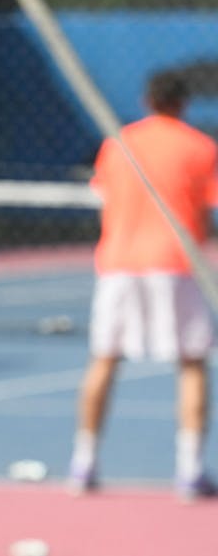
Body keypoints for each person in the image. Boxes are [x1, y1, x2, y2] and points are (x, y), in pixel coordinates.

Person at [67, 70, 218, 502]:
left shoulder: (118, 144)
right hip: (174, 263)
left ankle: (83, 462)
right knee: (191, 362)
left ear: (147, 100)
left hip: (118, 264)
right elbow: (205, 218)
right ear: (182, 103)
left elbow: (105, 202)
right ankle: (189, 470)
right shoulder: (200, 147)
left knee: (104, 359)